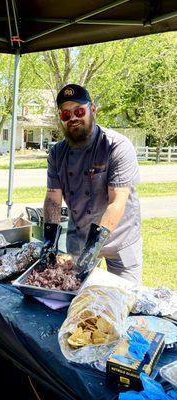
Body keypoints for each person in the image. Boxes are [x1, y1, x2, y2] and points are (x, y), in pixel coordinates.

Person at [43, 84, 142, 284]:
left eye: (79, 111)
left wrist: (93, 247)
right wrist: (49, 240)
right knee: (74, 298)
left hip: (120, 241)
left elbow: (117, 203)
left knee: (122, 300)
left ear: (93, 109)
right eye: (66, 115)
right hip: (79, 237)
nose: (73, 118)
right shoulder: (57, 153)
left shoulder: (116, 147)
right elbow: (53, 198)